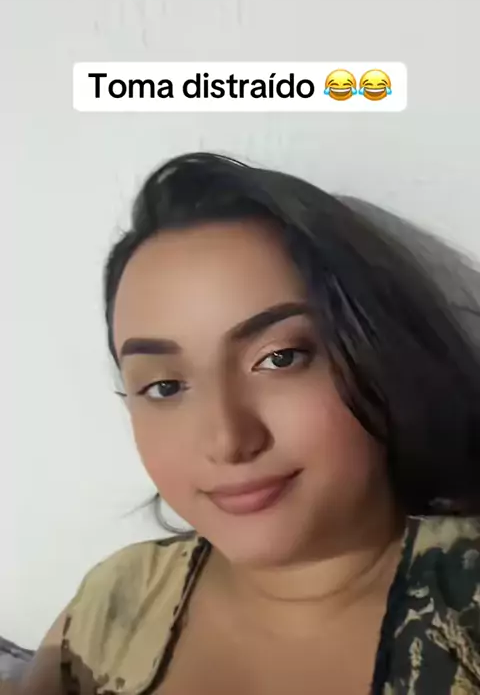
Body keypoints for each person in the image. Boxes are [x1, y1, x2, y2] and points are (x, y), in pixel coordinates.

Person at [16, 152, 480, 695]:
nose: (228, 440)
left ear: (376, 351)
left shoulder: (465, 603)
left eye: (280, 358)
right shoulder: (116, 601)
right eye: (165, 387)